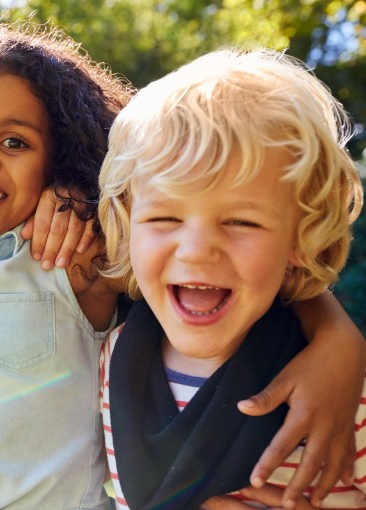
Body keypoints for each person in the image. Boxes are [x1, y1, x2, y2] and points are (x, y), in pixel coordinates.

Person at [0, 24, 365, 510]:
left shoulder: (76, 257)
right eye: (166, 217)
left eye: (240, 221)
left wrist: (339, 339)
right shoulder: (121, 358)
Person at [97, 48, 365, 509]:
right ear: (126, 224)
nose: (198, 249)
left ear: (300, 238)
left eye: (241, 221)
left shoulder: (343, 393)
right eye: (164, 217)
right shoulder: (108, 358)